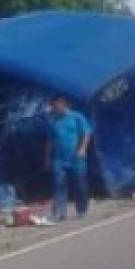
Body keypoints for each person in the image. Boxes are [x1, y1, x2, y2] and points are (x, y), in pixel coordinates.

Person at [44, 94, 93, 222]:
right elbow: (49, 141)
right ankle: (60, 212)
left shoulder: (77, 117)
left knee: (80, 185)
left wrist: (82, 149)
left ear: (63, 104)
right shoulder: (53, 121)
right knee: (58, 184)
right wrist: (47, 159)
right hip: (59, 159)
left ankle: (81, 210)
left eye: (56, 106)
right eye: (52, 106)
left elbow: (86, 133)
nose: (54, 109)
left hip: (76, 158)